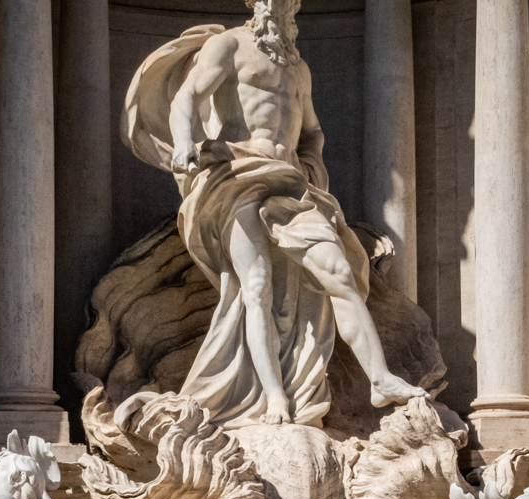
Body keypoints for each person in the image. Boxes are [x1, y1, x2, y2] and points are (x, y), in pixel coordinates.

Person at [123, 0, 425, 428]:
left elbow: (312, 131)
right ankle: (275, 398)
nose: (281, 5)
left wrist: (312, 166)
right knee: (257, 286)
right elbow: (187, 95)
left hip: (291, 184)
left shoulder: (298, 68)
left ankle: (380, 379)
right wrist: (185, 141)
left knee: (339, 272)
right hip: (237, 174)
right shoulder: (229, 45)